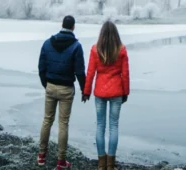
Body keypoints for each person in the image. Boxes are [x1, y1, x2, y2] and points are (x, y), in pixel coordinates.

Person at [37, 15, 86, 169]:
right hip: (66, 89)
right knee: (63, 124)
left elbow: (41, 68)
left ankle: (41, 157)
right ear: (73, 27)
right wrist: (84, 89)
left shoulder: (47, 43)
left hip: (51, 86)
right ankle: (60, 162)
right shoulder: (76, 46)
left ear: (62, 25)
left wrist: (47, 84)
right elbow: (79, 72)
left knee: (47, 120)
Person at [83, 20, 130, 170]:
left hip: (100, 93)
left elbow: (90, 73)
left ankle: (101, 164)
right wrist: (126, 92)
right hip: (116, 92)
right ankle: (110, 165)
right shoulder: (121, 50)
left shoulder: (95, 50)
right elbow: (125, 74)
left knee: (100, 126)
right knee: (113, 126)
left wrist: (86, 91)